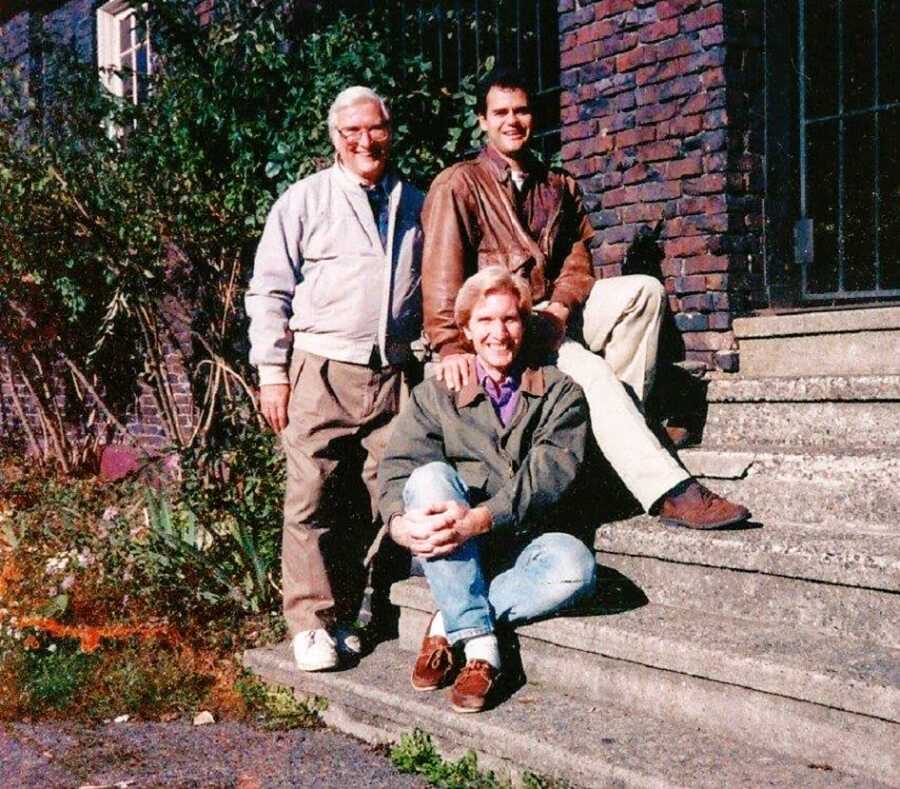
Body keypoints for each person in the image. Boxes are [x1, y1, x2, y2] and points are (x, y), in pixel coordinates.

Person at [421, 67, 749, 530]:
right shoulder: (459, 184)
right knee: (590, 372)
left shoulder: (556, 185)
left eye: (522, 111)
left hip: (551, 314)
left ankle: (624, 428)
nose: (512, 121)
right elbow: (440, 277)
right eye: (500, 113)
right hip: (504, 327)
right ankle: (669, 490)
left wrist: (559, 307)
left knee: (645, 292)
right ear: (482, 121)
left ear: (533, 117)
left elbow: (578, 266)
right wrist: (451, 345)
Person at [245, 86, 424, 672]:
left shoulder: (416, 201)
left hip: (394, 372)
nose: (363, 141)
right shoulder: (304, 201)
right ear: (334, 138)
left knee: (385, 495)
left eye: (373, 129)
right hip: (320, 369)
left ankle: (350, 612)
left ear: (389, 130)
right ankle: (309, 622)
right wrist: (272, 373)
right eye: (351, 132)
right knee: (312, 495)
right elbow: (269, 290)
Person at [379, 267, 597, 713]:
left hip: (522, 540)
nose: (499, 333)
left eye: (510, 319)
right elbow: (399, 469)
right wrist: (400, 526)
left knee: (575, 566)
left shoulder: (561, 393)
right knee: (428, 479)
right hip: (453, 549)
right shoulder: (434, 393)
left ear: (525, 324)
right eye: (485, 321)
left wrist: (482, 519)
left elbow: (547, 475)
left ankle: (450, 617)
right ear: (466, 329)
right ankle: (482, 651)